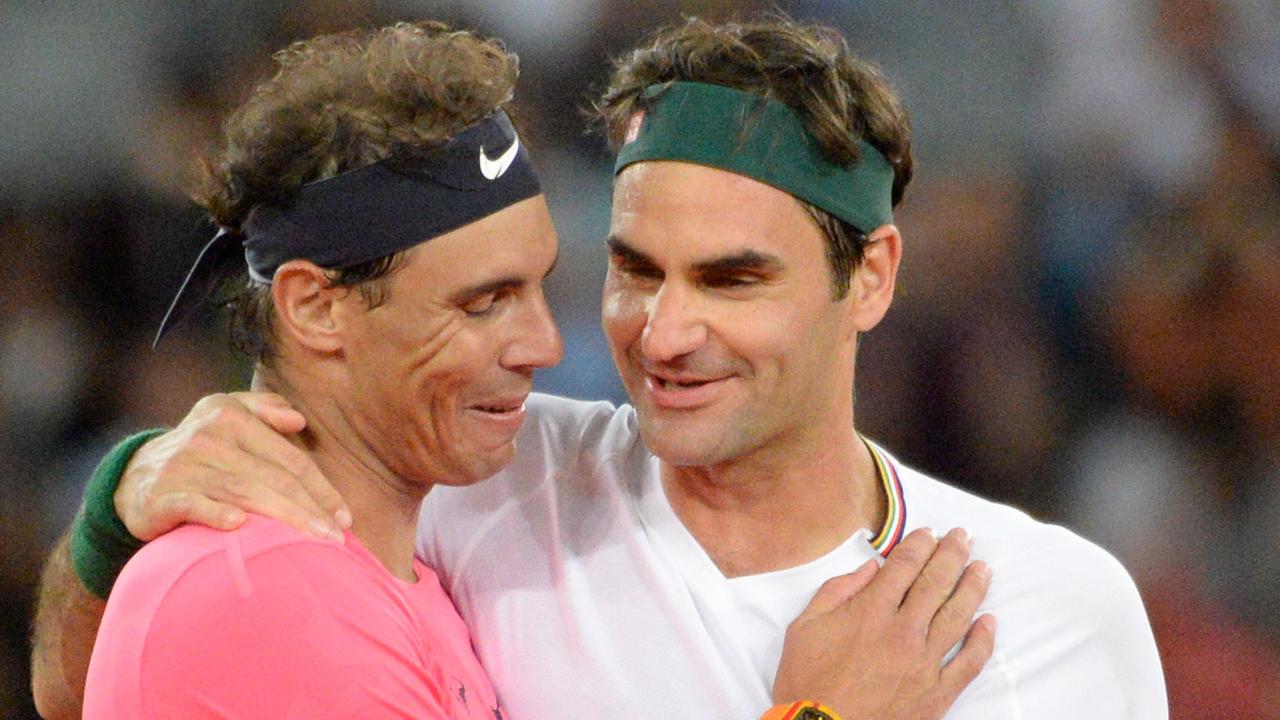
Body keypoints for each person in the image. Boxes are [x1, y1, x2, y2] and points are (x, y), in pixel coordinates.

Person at [32, 17, 995, 720]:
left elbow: (68, 689)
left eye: (541, 287)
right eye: (482, 301)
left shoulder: (396, 564)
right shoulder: (271, 602)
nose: (542, 344)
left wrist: (114, 516)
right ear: (315, 307)